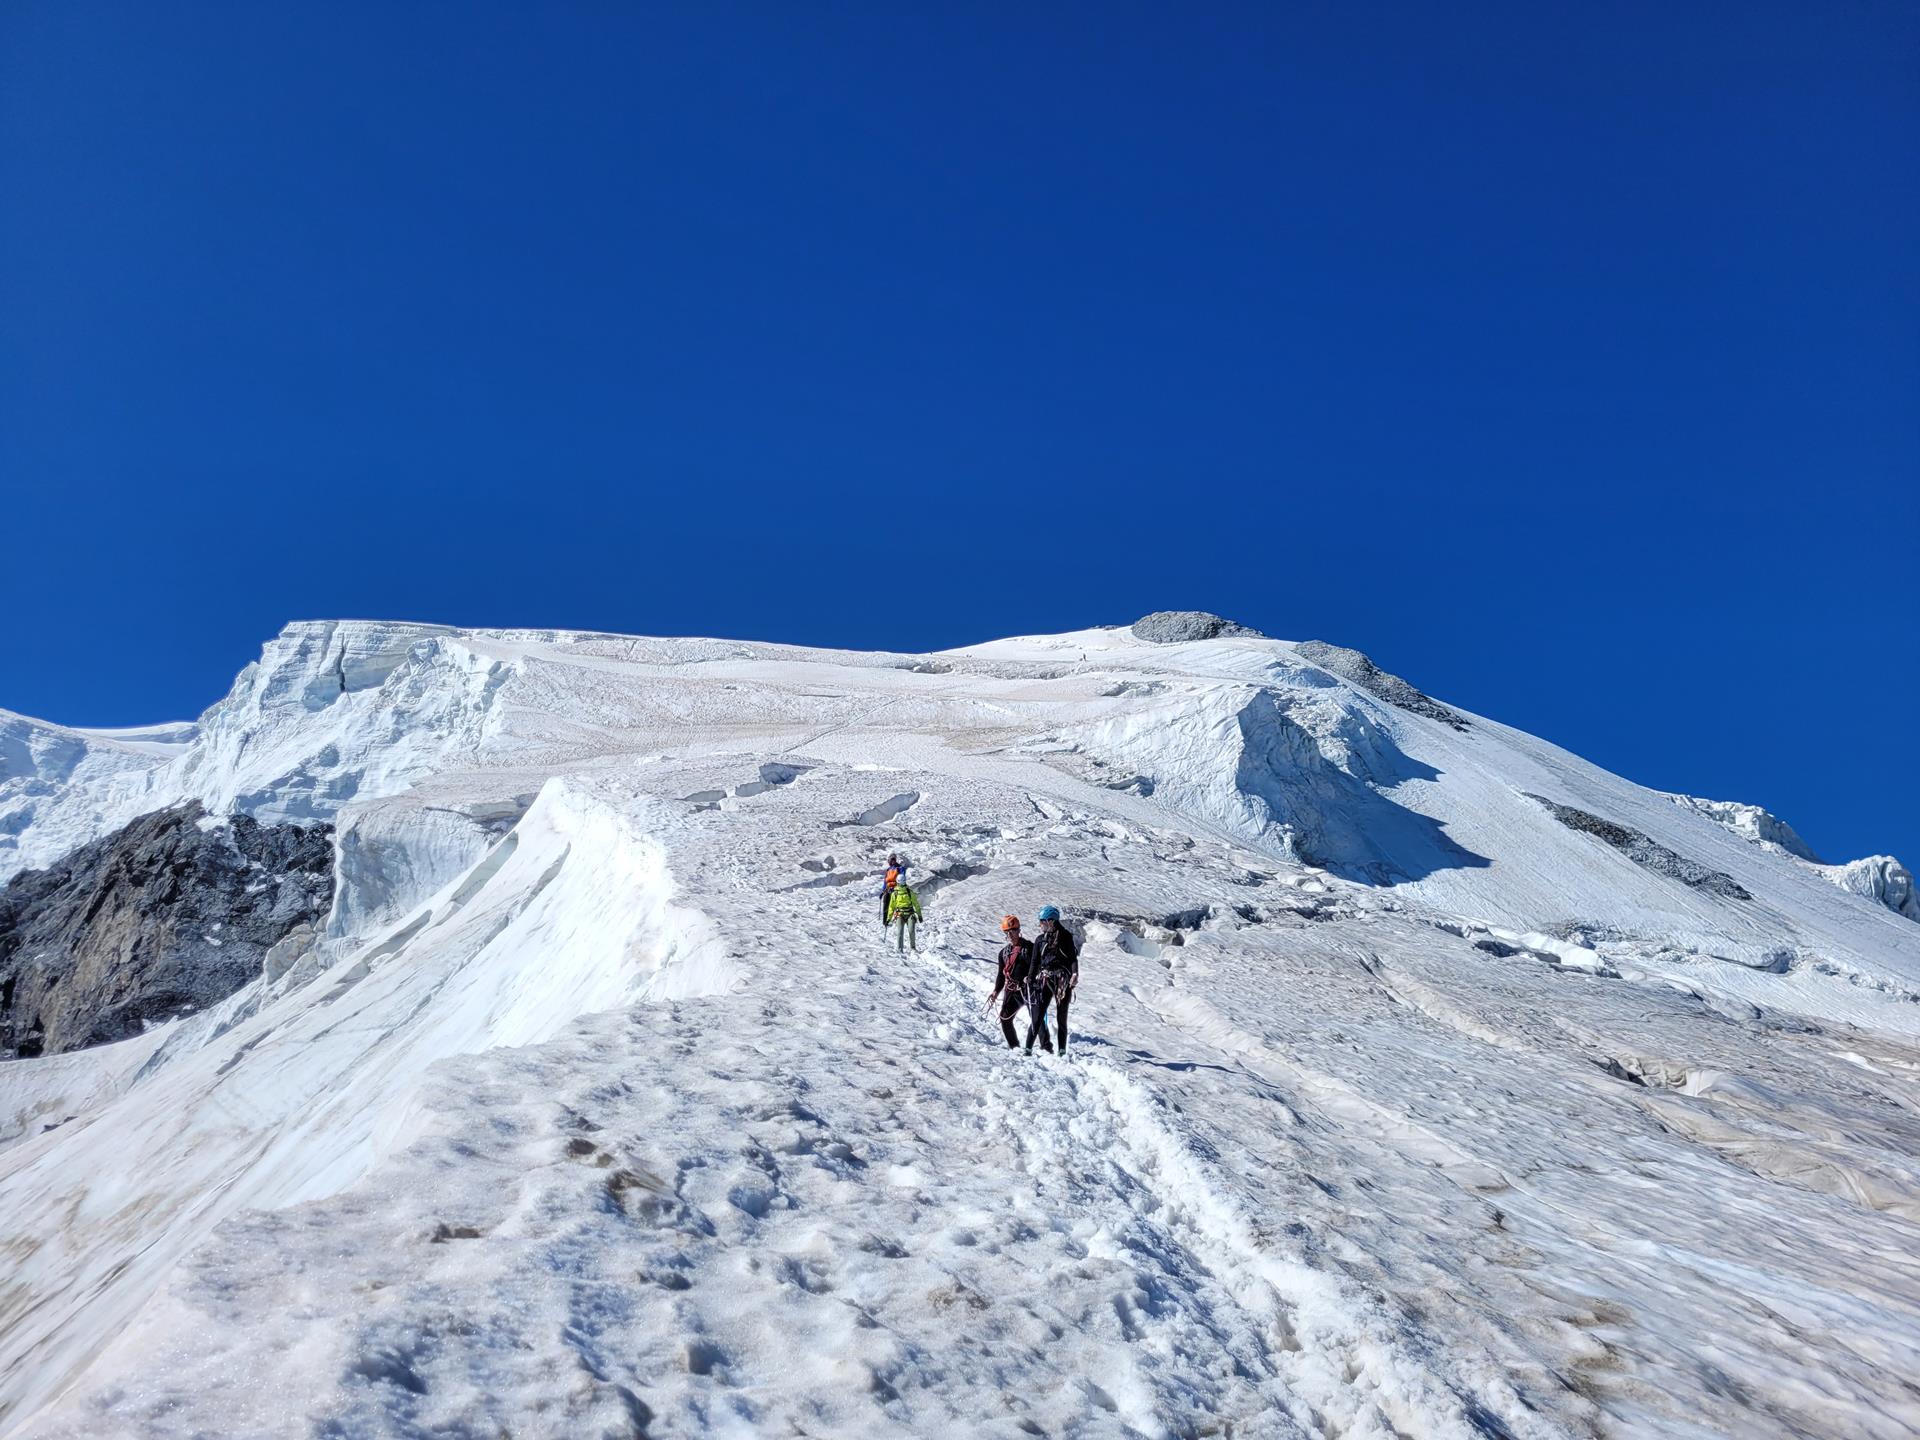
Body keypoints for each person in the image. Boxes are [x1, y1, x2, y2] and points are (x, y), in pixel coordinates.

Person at [1025, 904, 1079, 1055]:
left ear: (1051, 921)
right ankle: (1028, 1048)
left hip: (1062, 982)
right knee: (1037, 1016)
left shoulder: (1066, 937)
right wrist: (1030, 979)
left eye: (1042, 921)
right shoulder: (1040, 940)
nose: (1040, 924)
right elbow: (1035, 962)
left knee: (1061, 1018)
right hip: (1046, 980)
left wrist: (1075, 974)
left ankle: (1061, 1050)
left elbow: (1072, 959)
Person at [989, 915, 1043, 1050]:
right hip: (1012, 991)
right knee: (1005, 1018)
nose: (1010, 935)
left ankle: (1046, 1046)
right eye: (1007, 932)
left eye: (1012, 931)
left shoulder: (1029, 949)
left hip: (1029, 989)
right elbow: (1001, 976)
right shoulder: (1003, 953)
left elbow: (1038, 967)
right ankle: (1015, 1047)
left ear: (1018, 930)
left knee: (1037, 1020)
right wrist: (996, 991)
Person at [887, 881, 923, 952]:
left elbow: (916, 904)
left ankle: (911, 948)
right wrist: (889, 918)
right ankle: (901, 949)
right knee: (904, 931)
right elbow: (891, 906)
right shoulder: (896, 893)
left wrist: (919, 915)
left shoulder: (908, 892)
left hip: (909, 914)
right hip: (900, 914)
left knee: (907, 931)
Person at [878, 854, 907, 927]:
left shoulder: (900, 868)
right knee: (886, 904)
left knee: (896, 905)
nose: (892, 861)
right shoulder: (888, 870)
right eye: (891, 860)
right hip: (888, 889)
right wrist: (882, 891)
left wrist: (897, 888)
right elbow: (885, 882)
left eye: (893, 859)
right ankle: (885, 921)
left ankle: (898, 921)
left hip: (896, 889)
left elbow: (902, 878)